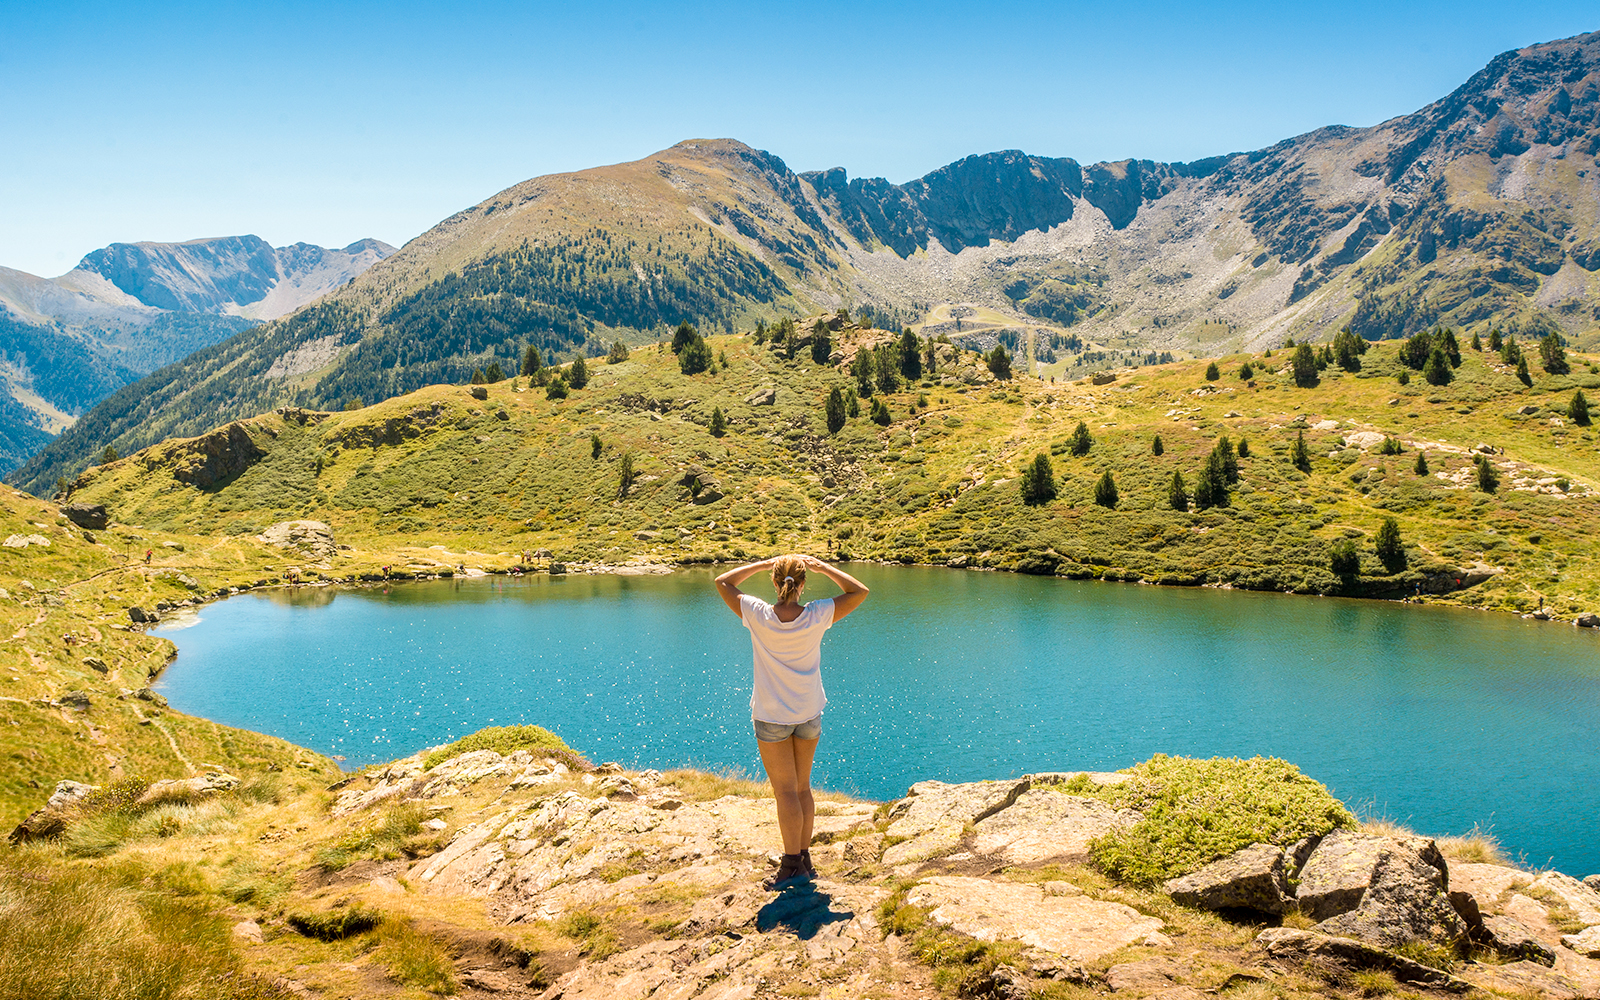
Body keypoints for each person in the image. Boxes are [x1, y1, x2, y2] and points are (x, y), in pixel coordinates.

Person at [714, 554, 869, 888]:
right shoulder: (817, 613)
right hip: (809, 712)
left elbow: (723, 582)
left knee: (785, 792)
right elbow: (859, 592)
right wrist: (825, 567)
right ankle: (804, 857)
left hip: (772, 716)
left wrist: (761, 563)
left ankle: (790, 866)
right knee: (801, 788)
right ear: (802, 585)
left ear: (775, 582)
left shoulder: (757, 614)